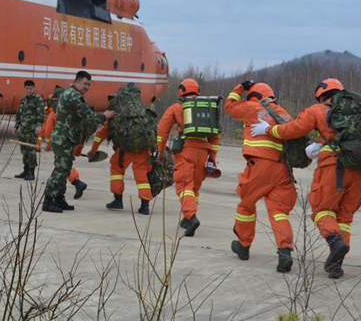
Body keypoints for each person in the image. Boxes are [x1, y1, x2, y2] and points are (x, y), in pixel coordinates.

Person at [252, 78, 361, 279]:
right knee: (344, 216)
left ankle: (335, 242)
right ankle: (336, 264)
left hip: (333, 165)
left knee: (322, 209)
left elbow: (292, 130)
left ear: (321, 95)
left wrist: (268, 130)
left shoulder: (318, 110)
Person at [225, 80, 297, 273]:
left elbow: (229, 107)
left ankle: (244, 245)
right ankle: (285, 251)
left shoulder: (252, 107)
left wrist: (239, 87)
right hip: (283, 169)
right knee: (279, 211)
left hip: (260, 166)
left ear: (254, 96)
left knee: (246, 204)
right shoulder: (283, 113)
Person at [157, 78, 220, 236]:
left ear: (181, 91)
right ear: (197, 91)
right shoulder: (207, 108)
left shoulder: (177, 108)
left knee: (184, 186)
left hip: (186, 150)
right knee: (194, 188)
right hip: (203, 151)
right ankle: (187, 217)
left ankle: (192, 218)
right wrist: (212, 157)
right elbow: (215, 136)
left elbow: (162, 129)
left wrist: (160, 151)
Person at [43, 71, 114, 213]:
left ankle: (59, 198)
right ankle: (48, 200)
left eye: (89, 84)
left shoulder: (72, 93)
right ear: (76, 82)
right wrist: (104, 116)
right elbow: (87, 116)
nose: (87, 87)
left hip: (66, 138)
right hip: (63, 138)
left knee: (64, 169)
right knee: (61, 169)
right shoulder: (73, 96)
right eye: (85, 83)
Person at [89, 121, 154, 215]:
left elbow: (101, 134)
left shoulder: (116, 116)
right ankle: (145, 206)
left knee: (116, 170)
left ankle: (118, 200)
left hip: (125, 150)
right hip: (143, 149)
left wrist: (93, 149)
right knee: (142, 176)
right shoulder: (142, 113)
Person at [42, 92, 88, 199]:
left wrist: (48, 144)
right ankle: (65, 190)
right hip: (73, 142)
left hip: (60, 143)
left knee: (62, 166)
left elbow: (48, 130)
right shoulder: (74, 112)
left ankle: (77, 182)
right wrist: (79, 148)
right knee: (66, 164)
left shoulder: (54, 113)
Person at [14, 80, 45, 181]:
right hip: (23, 130)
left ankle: (31, 172)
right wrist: (16, 126)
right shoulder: (23, 100)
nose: (28, 90)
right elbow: (19, 114)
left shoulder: (38, 100)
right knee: (24, 151)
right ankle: (25, 170)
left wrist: (39, 126)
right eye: (27, 88)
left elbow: (41, 114)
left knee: (31, 151)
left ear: (34, 88)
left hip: (32, 130)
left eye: (30, 88)